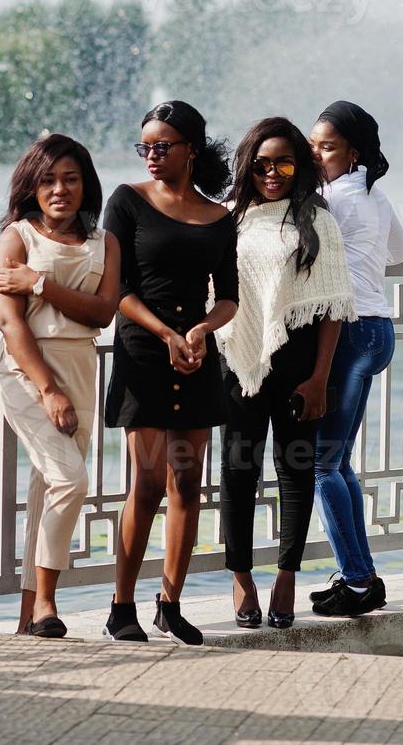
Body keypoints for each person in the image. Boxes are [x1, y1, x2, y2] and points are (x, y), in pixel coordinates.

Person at [101, 100, 238, 646]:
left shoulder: (219, 216)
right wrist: (167, 335)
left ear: (191, 150)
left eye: (163, 146)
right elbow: (118, 290)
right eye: (145, 147)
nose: (152, 156)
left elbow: (228, 298)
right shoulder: (127, 202)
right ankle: (120, 606)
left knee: (188, 483)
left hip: (198, 354)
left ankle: (170, 603)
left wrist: (201, 332)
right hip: (144, 350)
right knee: (149, 480)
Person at [216, 117, 355, 630]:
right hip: (239, 361)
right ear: (247, 166)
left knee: (295, 470)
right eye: (261, 163)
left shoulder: (316, 220)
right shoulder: (229, 217)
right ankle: (241, 577)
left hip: (299, 365)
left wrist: (320, 378)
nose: (271, 172)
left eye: (283, 162)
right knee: (238, 469)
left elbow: (334, 307)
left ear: (300, 165)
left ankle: (287, 575)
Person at [0, 134, 122, 638]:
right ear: (33, 186)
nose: (59, 190)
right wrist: (48, 389)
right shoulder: (18, 237)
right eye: (47, 180)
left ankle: (27, 620)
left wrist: (41, 284)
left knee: (49, 485)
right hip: (29, 371)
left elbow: (103, 311)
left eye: (70, 179)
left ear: (86, 185)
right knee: (72, 480)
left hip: (81, 364)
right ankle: (47, 602)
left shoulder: (104, 242)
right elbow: (11, 324)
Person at [308, 101, 403, 617]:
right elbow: (399, 254)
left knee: (322, 465)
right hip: (379, 329)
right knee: (338, 462)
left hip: (346, 333)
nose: (315, 155)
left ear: (353, 152)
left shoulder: (328, 201)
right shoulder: (375, 195)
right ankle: (362, 576)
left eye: (326, 147)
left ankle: (358, 579)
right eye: (312, 146)